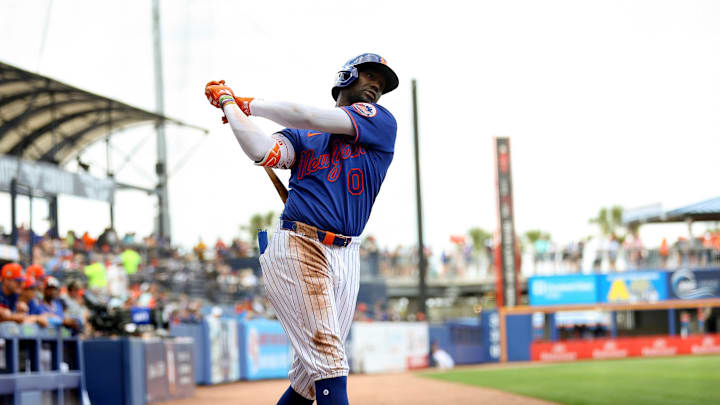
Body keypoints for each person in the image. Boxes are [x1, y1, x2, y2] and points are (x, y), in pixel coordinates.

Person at [205, 52, 398, 405]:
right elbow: (262, 150)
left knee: (308, 381)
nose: (376, 86)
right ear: (345, 77)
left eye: (382, 84)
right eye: (370, 76)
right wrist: (230, 106)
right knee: (331, 366)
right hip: (299, 244)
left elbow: (311, 114)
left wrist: (248, 104)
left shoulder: (380, 121)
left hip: (346, 254)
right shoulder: (303, 135)